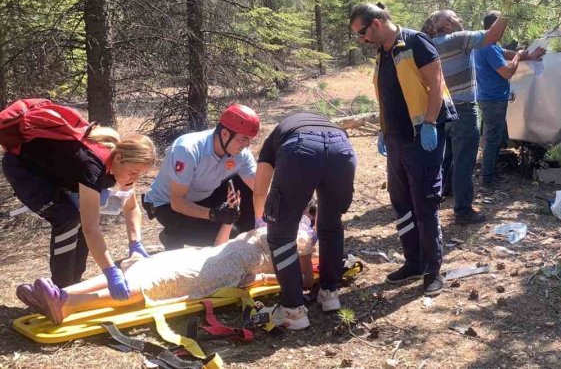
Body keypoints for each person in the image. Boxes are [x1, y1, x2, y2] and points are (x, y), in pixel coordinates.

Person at [350, 2, 456, 296]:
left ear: (376, 24)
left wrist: (430, 123)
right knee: (401, 201)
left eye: (361, 33)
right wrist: (385, 132)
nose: (361, 40)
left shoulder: (415, 41)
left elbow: (436, 83)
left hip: (422, 136)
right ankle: (413, 261)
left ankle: (433, 270)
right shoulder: (383, 53)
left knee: (425, 202)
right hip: (396, 138)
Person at [15, 224, 318, 326]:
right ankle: (59, 295)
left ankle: (66, 300)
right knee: (145, 272)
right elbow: (301, 279)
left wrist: (263, 280)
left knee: (150, 278)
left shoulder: (288, 230)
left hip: (219, 263)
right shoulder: (291, 231)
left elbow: (299, 279)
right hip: (218, 260)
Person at [2, 125, 156, 298]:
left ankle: (73, 286)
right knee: (67, 218)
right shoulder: (93, 168)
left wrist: (135, 244)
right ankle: (61, 290)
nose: (134, 179)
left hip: (49, 172)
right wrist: (111, 271)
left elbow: (132, 207)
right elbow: (91, 228)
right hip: (23, 169)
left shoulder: (121, 165)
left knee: (78, 218)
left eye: (139, 175)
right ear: (119, 158)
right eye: (134, 172)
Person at [252, 111, 357, 330]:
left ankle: (292, 309)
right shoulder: (320, 124)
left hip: (300, 151)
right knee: (331, 224)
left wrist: (263, 222)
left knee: (281, 235)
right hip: (343, 147)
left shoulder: (273, 140)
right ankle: (330, 293)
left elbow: (260, 190)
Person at [422, 9, 510, 224]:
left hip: (440, 109)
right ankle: (463, 211)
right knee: (464, 162)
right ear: (448, 25)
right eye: (455, 18)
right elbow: (492, 36)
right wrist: (508, 11)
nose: (460, 19)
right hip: (462, 110)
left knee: (444, 158)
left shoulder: (430, 44)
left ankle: (437, 198)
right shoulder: (457, 39)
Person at [144, 104, 259, 250]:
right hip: (168, 206)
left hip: (203, 195)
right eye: (243, 139)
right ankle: (171, 233)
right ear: (225, 134)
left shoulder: (241, 151)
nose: (247, 145)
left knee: (249, 193)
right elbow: (178, 202)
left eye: (250, 139)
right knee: (231, 233)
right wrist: (214, 214)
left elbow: (260, 189)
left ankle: (243, 238)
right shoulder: (187, 150)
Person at [473, 10, 545, 187]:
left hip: (490, 98)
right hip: (493, 99)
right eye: (502, 26)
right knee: (492, 139)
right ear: (494, 26)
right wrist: (520, 56)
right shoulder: (488, 47)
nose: (504, 30)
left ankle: (489, 173)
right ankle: (488, 178)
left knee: (493, 138)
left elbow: (506, 53)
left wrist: (528, 55)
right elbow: (506, 72)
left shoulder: (486, 43)